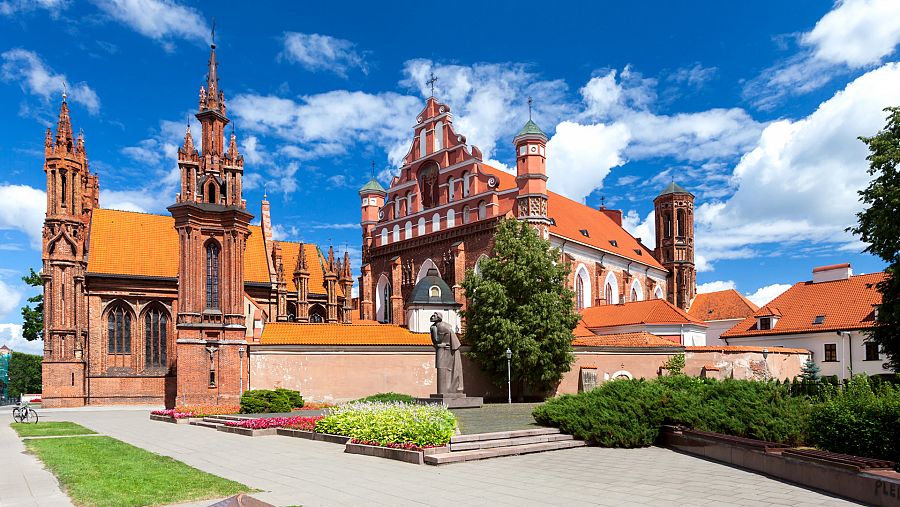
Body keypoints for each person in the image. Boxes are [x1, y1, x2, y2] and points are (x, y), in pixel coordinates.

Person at [430, 312, 463, 394]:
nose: (431, 316)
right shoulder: (435, 326)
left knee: (450, 369)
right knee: (443, 368)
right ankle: (445, 391)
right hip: (445, 349)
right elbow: (436, 342)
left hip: (450, 349)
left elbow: (438, 340)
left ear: (438, 318)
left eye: (434, 315)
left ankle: (449, 390)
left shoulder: (442, 326)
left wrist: (442, 344)